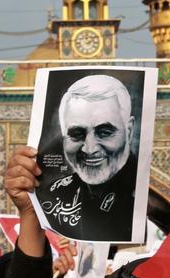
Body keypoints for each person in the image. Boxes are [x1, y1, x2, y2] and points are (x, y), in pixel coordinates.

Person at [35, 74, 139, 241]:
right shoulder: (55, 195)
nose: (89, 149)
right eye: (77, 134)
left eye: (104, 132)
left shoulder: (148, 198)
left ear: (129, 130)